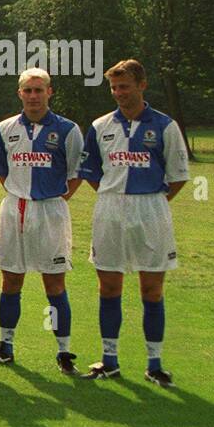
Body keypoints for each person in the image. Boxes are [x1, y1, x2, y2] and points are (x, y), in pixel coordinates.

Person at [77, 59, 188, 386]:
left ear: (142, 85)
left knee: (151, 289)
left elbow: (178, 175)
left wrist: (151, 201)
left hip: (151, 210)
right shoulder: (99, 126)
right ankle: (109, 360)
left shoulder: (165, 126)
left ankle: (154, 364)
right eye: (114, 87)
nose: (118, 93)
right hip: (110, 211)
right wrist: (115, 197)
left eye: (124, 86)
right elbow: (91, 173)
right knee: (109, 286)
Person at [0, 68, 84, 373]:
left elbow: (76, 174)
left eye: (39, 90)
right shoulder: (5, 128)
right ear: (20, 94)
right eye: (28, 90)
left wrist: (53, 200)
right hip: (14, 209)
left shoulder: (68, 129)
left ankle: (64, 351)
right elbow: (1, 170)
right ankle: (5, 345)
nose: (33, 96)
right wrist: (21, 195)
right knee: (11, 279)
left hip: (51, 210)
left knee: (53, 283)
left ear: (49, 92)